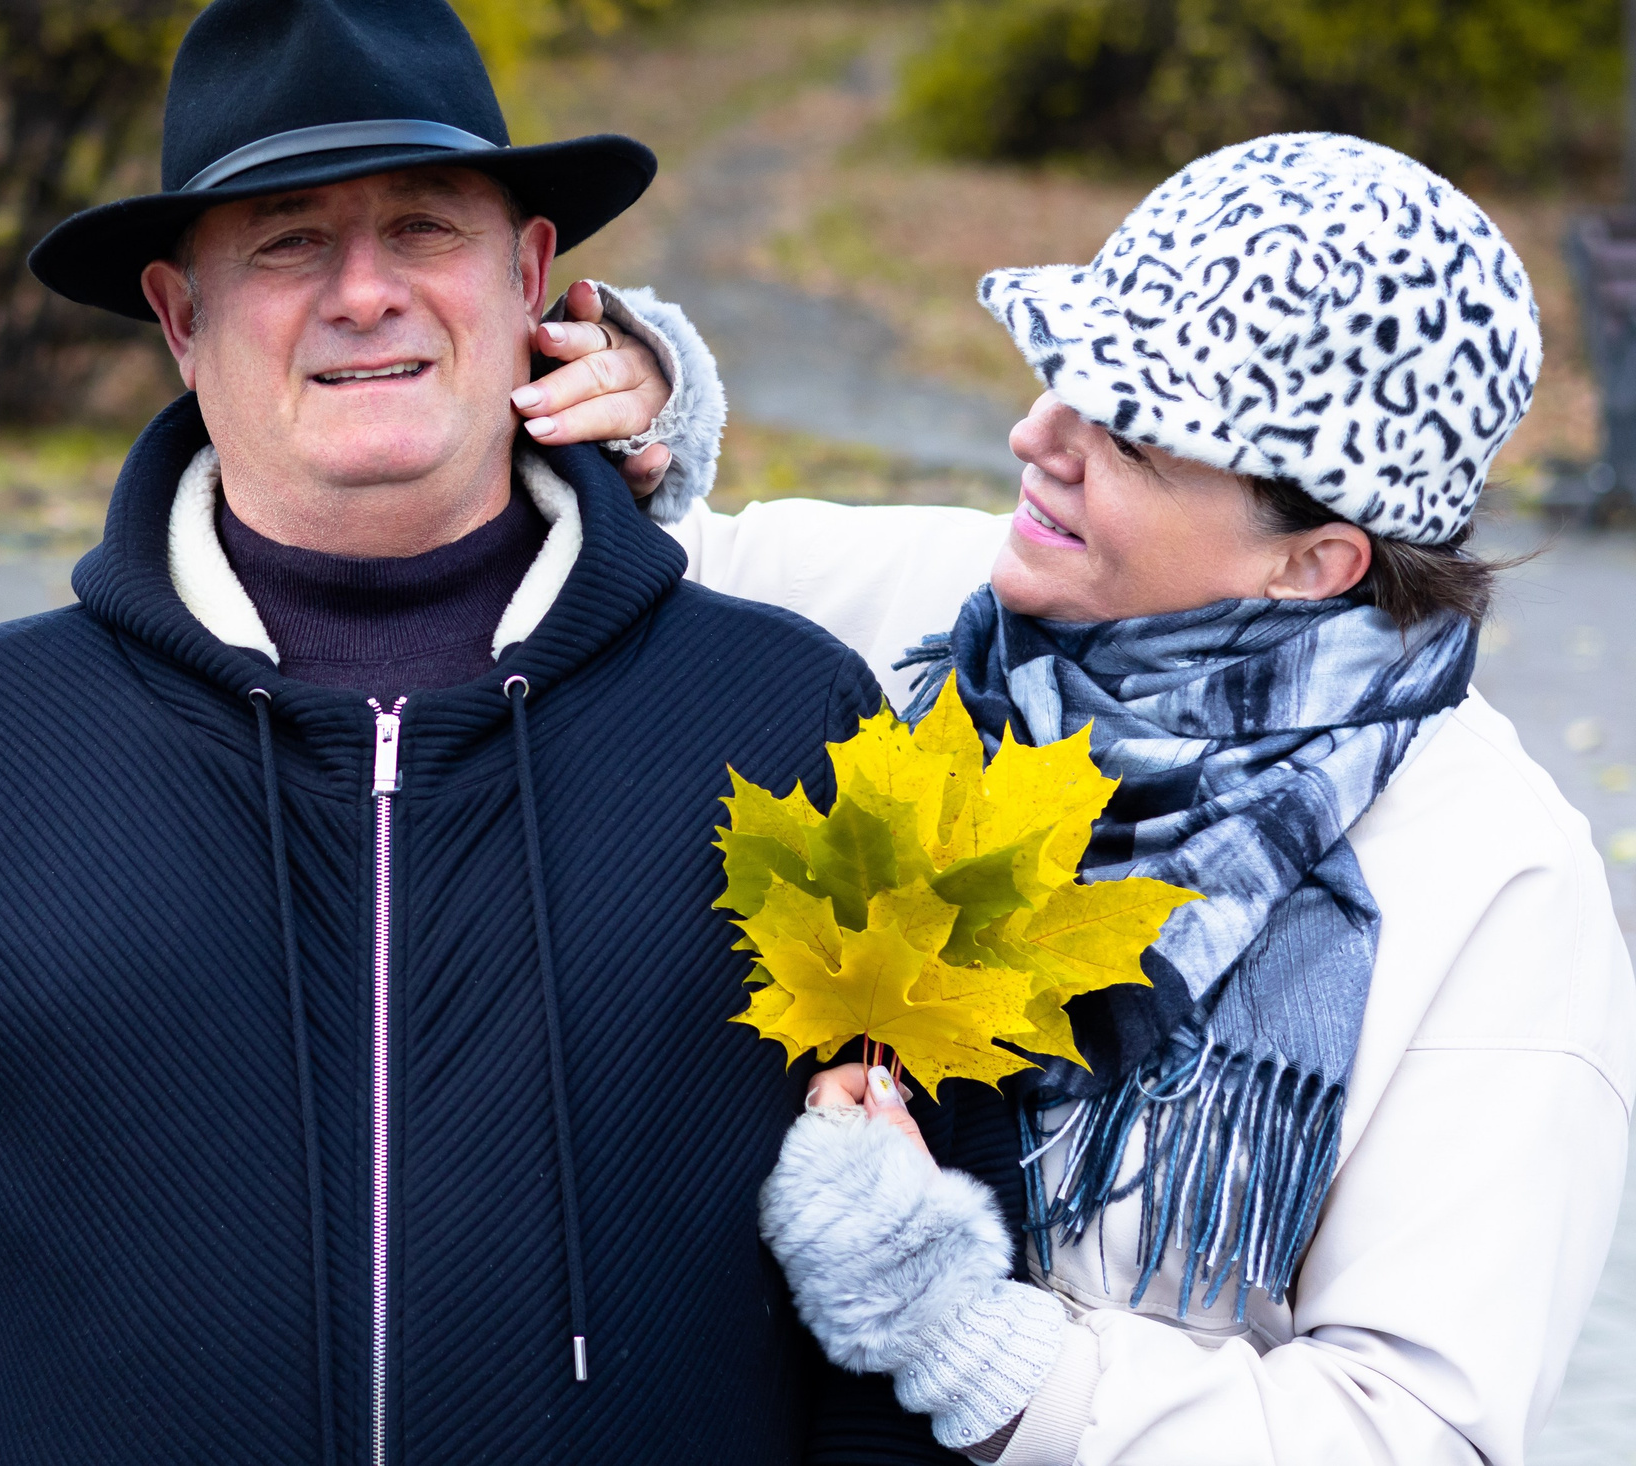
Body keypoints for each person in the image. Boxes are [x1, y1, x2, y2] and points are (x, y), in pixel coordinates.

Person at [0, 0, 913, 1464]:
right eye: (287, 242)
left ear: (528, 278)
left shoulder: (785, 715)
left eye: (422, 228)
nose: (364, 289)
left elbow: (910, 1281)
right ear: (178, 315)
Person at [531, 133, 1636, 1465]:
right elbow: (616, 590)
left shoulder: (1496, 885)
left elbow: (1416, 1431)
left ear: (1316, 558)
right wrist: (640, 401)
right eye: (1065, 374)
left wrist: (990, 1351)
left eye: (1129, 432)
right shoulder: (930, 615)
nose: (1033, 435)